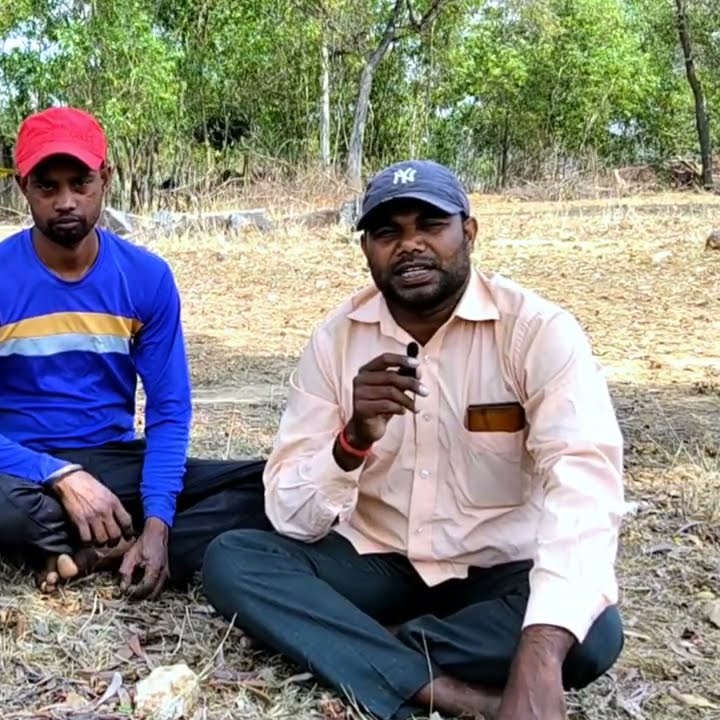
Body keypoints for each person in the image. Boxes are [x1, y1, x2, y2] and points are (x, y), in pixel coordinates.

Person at [201, 160, 626, 720]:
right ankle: (442, 689)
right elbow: (289, 515)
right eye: (388, 232)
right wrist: (351, 441)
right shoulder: (335, 342)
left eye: (430, 225)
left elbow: (585, 485)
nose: (410, 245)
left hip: (493, 572)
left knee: (592, 633)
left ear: (468, 233)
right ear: (366, 249)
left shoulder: (536, 332)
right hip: (376, 561)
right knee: (234, 559)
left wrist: (541, 654)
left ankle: (356, 643)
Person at [0, 106, 269, 598]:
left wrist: (157, 521)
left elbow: (169, 411)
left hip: (116, 462)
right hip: (22, 470)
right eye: (48, 187)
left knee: (269, 486)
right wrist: (61, 476)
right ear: (23, 186)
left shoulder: (146, 278)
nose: (66, 201)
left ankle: (123, 547)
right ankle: (112, 534)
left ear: (105, 178)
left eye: (80, 182)